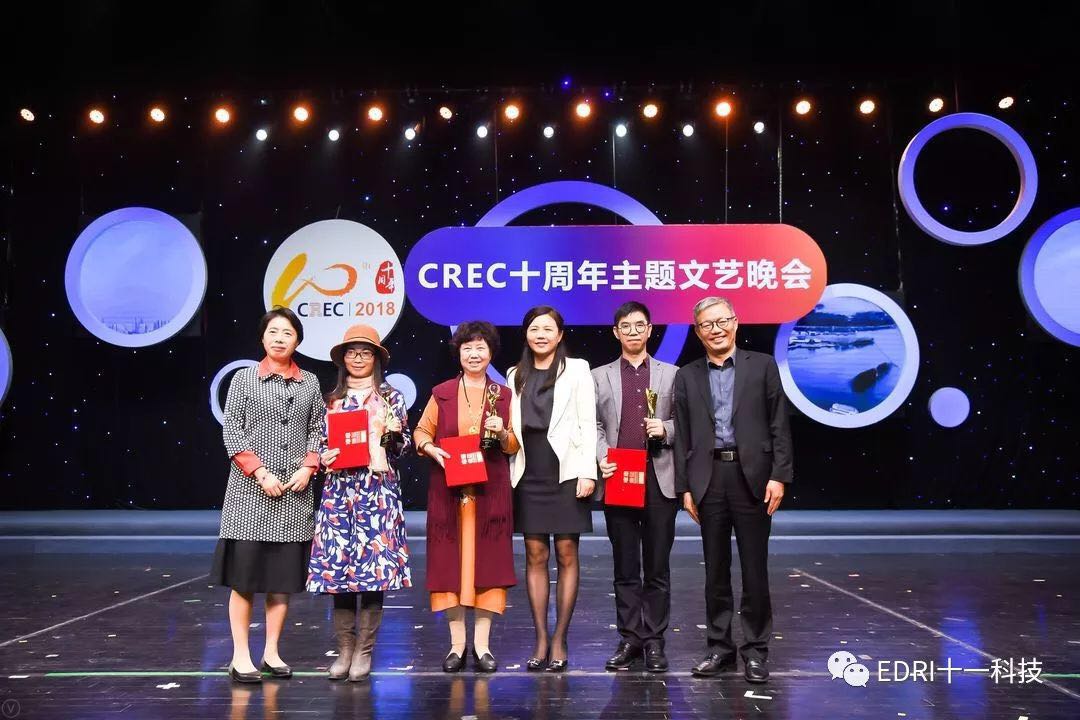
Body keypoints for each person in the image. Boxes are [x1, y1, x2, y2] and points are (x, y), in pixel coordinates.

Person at [672, 297, 793, 684]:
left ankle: (756, 650)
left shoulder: (763, 366)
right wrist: (684, 488)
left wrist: (779, 475)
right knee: (715, 570)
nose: (716, 330)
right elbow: (682, 435)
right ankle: (719, 648)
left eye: (722, 321)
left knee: (755, 569)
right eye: (707, 325)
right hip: (708, 478)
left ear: (736, 323)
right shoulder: (687, 375)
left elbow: (779, 424)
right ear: (697, 332)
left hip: (753, 477)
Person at [212, 307, 325, 683]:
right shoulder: (244, 379)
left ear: (298, 340)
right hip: (249, 494)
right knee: (244, 579)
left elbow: (318, 429)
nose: (280, 339)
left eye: (287, 333)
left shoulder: (309, 382)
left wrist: (308, 467)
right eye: (273, 332)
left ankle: (271, 652)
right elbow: (232, 430)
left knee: (281, 581)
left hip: (293, 493)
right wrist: (259, 472)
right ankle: (240, 656)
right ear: (262, 337)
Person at [308, 324, 412, 681]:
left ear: (376, 359)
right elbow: (318, 442)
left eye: (365, 353)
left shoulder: (391, 397)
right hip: (339, 493)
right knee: (338, 573)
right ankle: (345, 650)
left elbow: (402, 447)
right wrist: (324, 454)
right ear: (343, 359)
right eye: (351, 352)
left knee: (372, 572)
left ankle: (364, 652)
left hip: (377, 492)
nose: (358, 358)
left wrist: (392, 436)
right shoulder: (330, 400)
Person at [414, 321, 518, 673]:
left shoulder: (504, 395)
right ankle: (457, 645)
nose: (474, 354)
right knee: (450, 567)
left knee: (489, 565)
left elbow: (513, 444)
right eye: (467, 348)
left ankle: (482, 646)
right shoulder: (442, 392)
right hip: (450, 493)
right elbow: (421, 431)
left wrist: (501, 433)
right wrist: (431, 449)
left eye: (480, 348)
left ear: (491, 353)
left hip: (490, 494)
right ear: (458, 353)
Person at [507, 305, 597, 672]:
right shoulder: (515, 374)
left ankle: (560, 638)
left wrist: (588, 472)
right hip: (529, 470)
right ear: (526, 334)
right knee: (535, 554)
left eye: (547, 329)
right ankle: (541, 638)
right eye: (534, 328)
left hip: (567, 469)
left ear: (559, 335)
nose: (540, 335)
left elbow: (588, 423)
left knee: (566, 552)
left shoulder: (577, 369)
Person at [593, 301, 679, 673]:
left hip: (659, 478)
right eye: (625, 326)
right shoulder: (598, 376)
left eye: (639, 325)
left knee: (657, 568)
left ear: (650, 330)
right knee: (625, 567)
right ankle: (630, 638)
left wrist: (667, 429)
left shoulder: (671, 374)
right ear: (616, 332)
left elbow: (686, 422)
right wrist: (601, 456)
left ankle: (655, 641)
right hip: (619, 478)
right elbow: (593, 424)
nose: (632, 331)